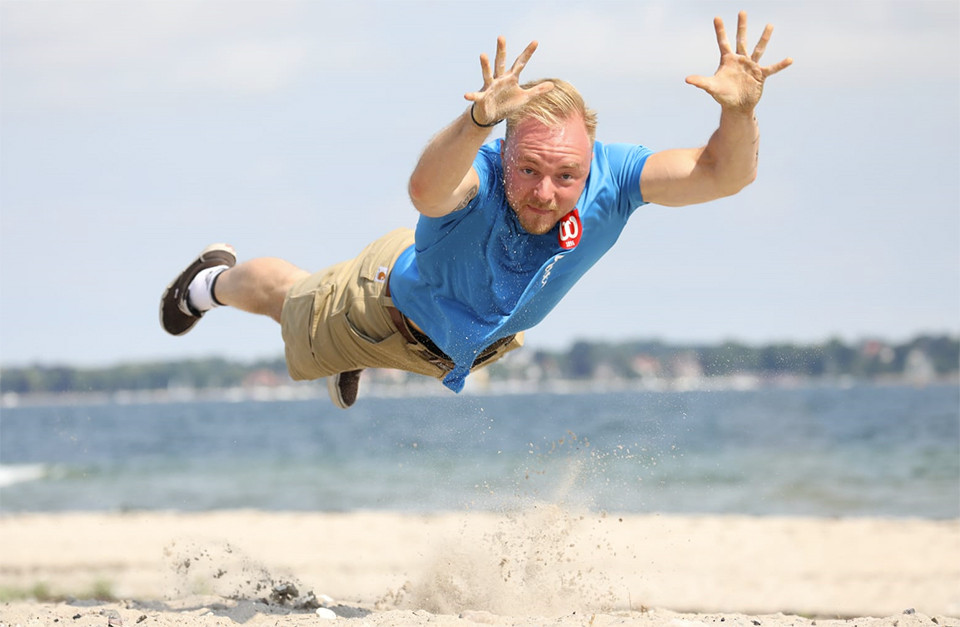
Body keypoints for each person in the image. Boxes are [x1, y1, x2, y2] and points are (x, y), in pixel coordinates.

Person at [160, 11, 792, 408]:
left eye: (566, 175)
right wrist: (476, 119)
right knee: (284, 294)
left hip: (473, 342)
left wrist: (739, 111)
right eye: (529, 170)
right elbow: (427, 194)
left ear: (591, 156)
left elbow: (721, 175)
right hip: (378, 311)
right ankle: (208, 283)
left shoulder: (619, 175)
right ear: (505, 150)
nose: (545, 191)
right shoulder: (481, 171)